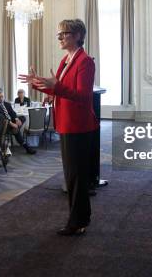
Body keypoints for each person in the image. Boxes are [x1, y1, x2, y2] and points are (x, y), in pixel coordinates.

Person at [19, 19, 97, 236]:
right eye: (59, 34)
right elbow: (58, 91)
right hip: (65, 123)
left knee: (76, 176)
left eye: (64, 33)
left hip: (79, 126)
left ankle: (78, 220)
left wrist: (57, 86)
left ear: (78, 35)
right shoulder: (65, 60)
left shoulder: (85, 62)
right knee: (71, 175)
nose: (60, 37)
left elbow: (83, 97)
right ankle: (80, 218)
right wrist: (38, 83)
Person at [0, 90, 35, 154]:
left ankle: (15, 129)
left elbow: (12, 113)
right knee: (16, 131)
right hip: (4, 125)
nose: (1, 98)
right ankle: (27, 148)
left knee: (22, 117)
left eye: (2, 96)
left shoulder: (7, 104)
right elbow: (2, 118)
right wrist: (12, 124)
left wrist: (16, 119)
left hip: (11, 121)